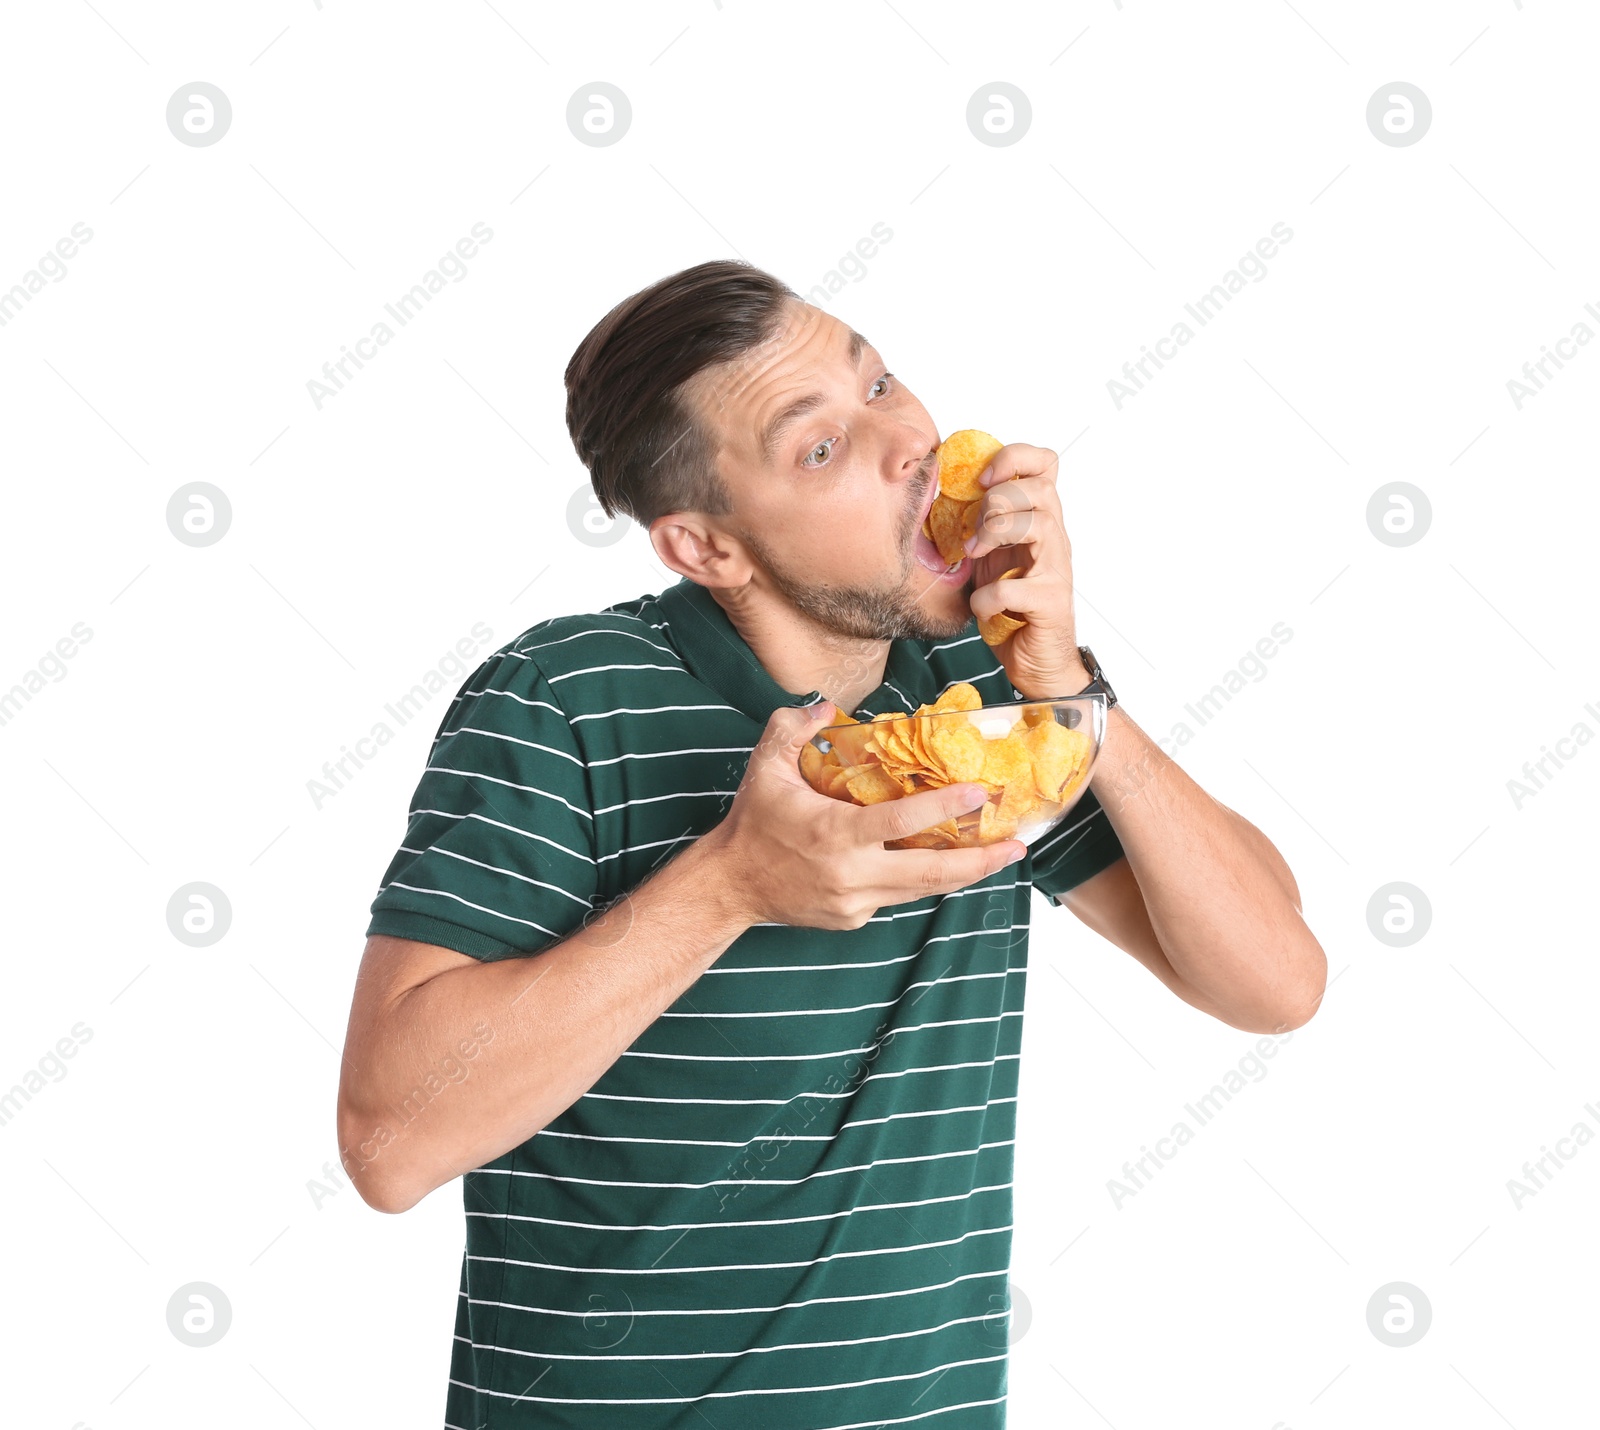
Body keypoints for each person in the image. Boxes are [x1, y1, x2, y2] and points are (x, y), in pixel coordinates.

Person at [336, 259, 1326, 1428]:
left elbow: (1277, 981)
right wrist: (729, 884)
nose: (905, 441)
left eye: (881, 379)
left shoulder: (984, 702)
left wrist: (1066, 687)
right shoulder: (561, 696)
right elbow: (388, 1143)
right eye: (818, 447)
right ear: (707, 548)